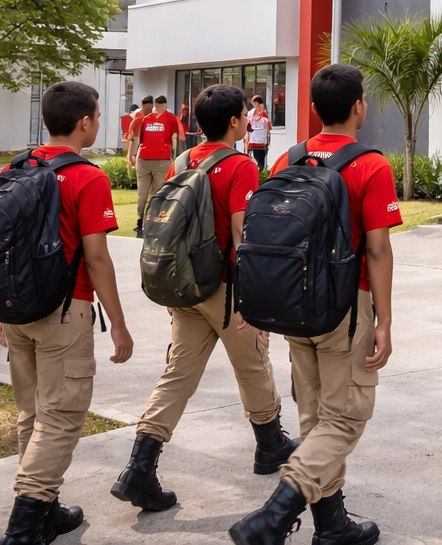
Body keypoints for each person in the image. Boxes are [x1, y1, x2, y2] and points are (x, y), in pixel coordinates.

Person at [228, 64, 399, 545]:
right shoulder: (370, 165)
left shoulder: (287, 159)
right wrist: (383, 321)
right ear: (359, 105)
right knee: (345, 417)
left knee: (315, 416)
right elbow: (379, 249)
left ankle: (331, 524)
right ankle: (275, 514)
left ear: (313, 109)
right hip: (346, 305)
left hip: (294, 303)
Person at [114, 84, 294, 516]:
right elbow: (240, 235)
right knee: (252, 364)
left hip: (186, 288)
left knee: (177, 375)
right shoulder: (240, 166)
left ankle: (140, 464)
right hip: (225, 289)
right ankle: (270, 445)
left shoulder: (181, 161)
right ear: (236, 122)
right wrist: (255, 295)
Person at [0, 81, 133, 545]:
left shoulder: (17, 167)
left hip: (16, 309)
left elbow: (4, 249)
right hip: (65, 310)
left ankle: (47, 509)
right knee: (62, 417)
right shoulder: (88, 177)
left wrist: (2, 309)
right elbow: (97, 258)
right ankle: (23, 526)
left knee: (32, 414)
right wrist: (118, 323)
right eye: (97, 116)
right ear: (84, 122)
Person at [131, 95, 183, 238]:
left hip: (161, 159)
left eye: (160, 106)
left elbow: (174, 137)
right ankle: (141, 223)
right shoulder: (147, 119)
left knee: (155, 194)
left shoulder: (170, 119)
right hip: (147, 159)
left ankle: (149, 224)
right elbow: (140, 139)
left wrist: (173, 157)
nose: (159, 108)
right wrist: (134, 155)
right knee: (144, 194)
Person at [246, 94, 272, 171]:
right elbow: (248, 124)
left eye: (255, 102)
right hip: (253, 138)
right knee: (256, 156)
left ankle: (261, 169)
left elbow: (268, 126)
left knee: (261, 157)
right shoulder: (251, 112)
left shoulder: (264, 113)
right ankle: (259, 169)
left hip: (262, 138)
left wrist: (268, 135)